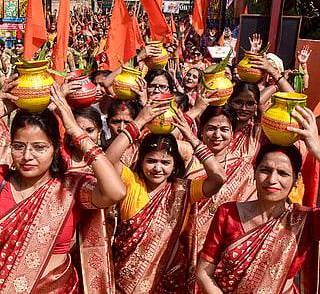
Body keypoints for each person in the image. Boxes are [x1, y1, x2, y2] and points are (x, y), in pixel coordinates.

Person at [0, 85, 126, 292]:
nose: (27, 157)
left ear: (55, 148)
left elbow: (116, 192)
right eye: (19, 146)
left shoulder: (70, 187)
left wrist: (76, 131)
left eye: (39, 147)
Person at [196, 106, 320, 293]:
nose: (272, 180)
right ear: (254, 173)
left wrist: (316, 149)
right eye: (265, 170)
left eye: (283, 174)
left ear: (296, 180)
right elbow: (204, 273)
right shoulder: (228, 214)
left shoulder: (306, 221)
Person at [107, 102, 226, 293]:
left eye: (165, 162)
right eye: (151, 161)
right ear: (141, 160)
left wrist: (191, 138)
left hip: (169, 278)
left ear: (174, 165)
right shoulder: (131, 182)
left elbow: (219, 178)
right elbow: (108, 160)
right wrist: (139, 122)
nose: (157, 168)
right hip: (127, 279)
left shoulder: (183, 191)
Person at [184, 104, 256, 293]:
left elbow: (251, 211)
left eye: (224, 129)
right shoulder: (188, 161)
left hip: (227, 245)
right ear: (201, 131)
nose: (217, 135)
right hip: (187, 244)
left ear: (233, 132)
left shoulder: (245, 169)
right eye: (211, 128)